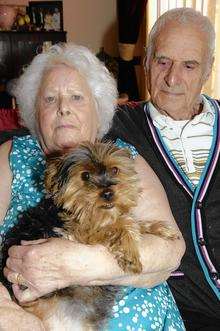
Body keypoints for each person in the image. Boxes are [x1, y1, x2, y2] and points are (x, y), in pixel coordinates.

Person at [0, 43, 185, 330]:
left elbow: (171, 250)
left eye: (76, 97)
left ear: (97, 109)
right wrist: (15, 318)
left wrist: (76, 264)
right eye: (50, 99)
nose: (63, 109)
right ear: (34, 111)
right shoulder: (10, 156)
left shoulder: (123, 157)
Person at [106, 7, 220, 331]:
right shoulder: (118, 126)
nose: (172, 78)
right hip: (178, 310)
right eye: (162, 61)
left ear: (208, 70)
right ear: (145, 62)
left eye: (189, 65)